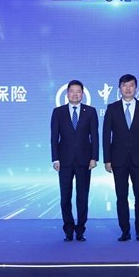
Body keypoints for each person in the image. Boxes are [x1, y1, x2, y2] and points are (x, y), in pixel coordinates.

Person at [103, 74, 139, 241]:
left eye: (131, 85)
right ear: (119, 88)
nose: (128, 88)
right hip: (118, 160)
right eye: (124, 85)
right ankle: (125, 231)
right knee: (121, 197)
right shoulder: (112, 108)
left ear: (136, 88)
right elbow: (106, 136)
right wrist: (107, 159)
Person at [50, 80, 99, 242]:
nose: (75, 94)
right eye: (72, 91)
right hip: (64, 161)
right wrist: (55, 158)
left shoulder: (90, 111)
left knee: (82, 197)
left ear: (82, 94)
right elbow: (54, 137)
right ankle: (68, 229)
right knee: (65, 197)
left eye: (78, 91)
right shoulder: (58, 112)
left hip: (85, 161)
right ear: (67, 93)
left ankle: (80, 230)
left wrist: (94, 157)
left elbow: (94, 136)